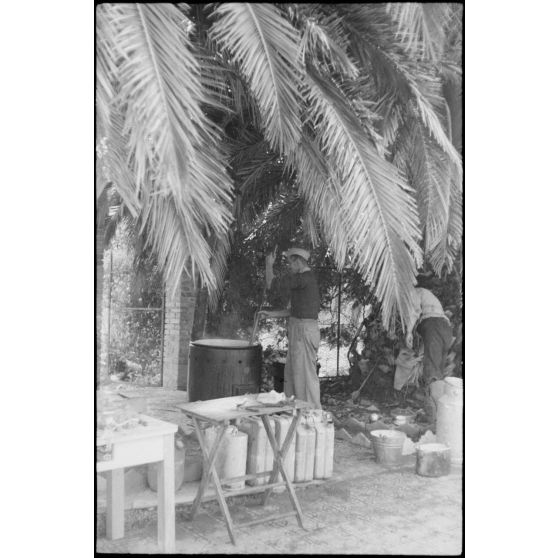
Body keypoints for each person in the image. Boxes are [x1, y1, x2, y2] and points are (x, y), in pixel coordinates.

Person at [258, 247, 322, 409]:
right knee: (293, 375)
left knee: (305, 376)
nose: (290, 266)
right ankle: (295, 411)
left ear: (298, 262)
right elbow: (294, 312)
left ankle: (312, 412)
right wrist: (271, 314)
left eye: (291, 263)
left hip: (304, 332)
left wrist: (269, 265)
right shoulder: (303, 281)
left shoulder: (304, 278)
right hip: (299, 330)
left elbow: (272, 284)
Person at [406, 285, 454, 422]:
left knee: (432, 372)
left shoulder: (416, 292)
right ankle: (441, 415)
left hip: (434, 326)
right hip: (445, 329)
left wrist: (409, 332)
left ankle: (433, 416)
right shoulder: (430, 298)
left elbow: (415, 311)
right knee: (438, 372)